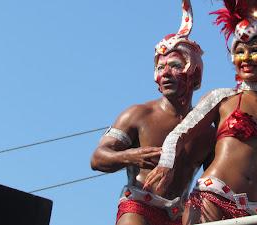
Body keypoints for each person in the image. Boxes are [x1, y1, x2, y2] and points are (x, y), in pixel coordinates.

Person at [144, 0, 257, 224]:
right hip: (211, 198)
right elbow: (179, 134)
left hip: (256, 211)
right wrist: (166, 163)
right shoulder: (222, 98)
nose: (246, 58)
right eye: (239, 51)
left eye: (254, 51)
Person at [91, 1, 215, 225]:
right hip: (138, 205)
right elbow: (98, 158)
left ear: (195, 75)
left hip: (180, 214)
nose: (165, 73)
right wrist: (132, 155)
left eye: (175, 65)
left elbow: (216, 181)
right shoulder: (138, 114)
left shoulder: (206, 131)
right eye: (160, 67)